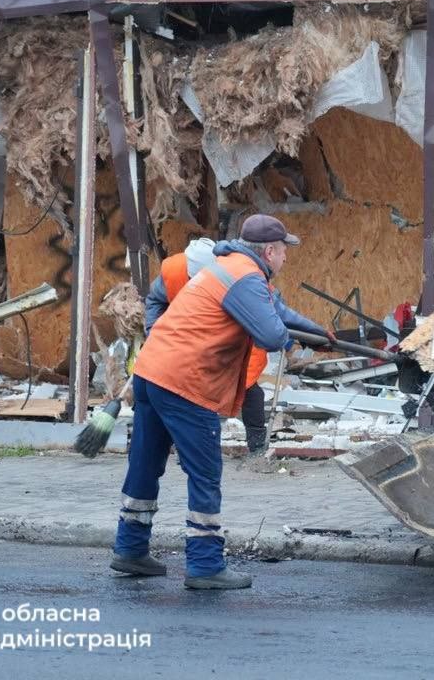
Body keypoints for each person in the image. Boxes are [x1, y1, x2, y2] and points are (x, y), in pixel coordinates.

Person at [110, 214, 330, 589]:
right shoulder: (247, 278)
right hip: (185, 381)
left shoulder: (227, 267)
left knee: (146, 463)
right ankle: (205, 565)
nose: (286, 260)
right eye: (284, 253)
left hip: (151, 372)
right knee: (205, 473)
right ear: (271, 251)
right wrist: (293, 340)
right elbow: (270, 331)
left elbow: (278, 312)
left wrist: (317, 333)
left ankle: (130, 548)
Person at [143, 237, 272, 455]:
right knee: (180, 391)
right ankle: (183, 445)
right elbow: (155, 301)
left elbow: (269, 312)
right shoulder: (174, 271)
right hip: (183, 341)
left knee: (250, 387)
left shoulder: (239, 275)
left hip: (230, 340)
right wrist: (153, 332)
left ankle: (257, 447)